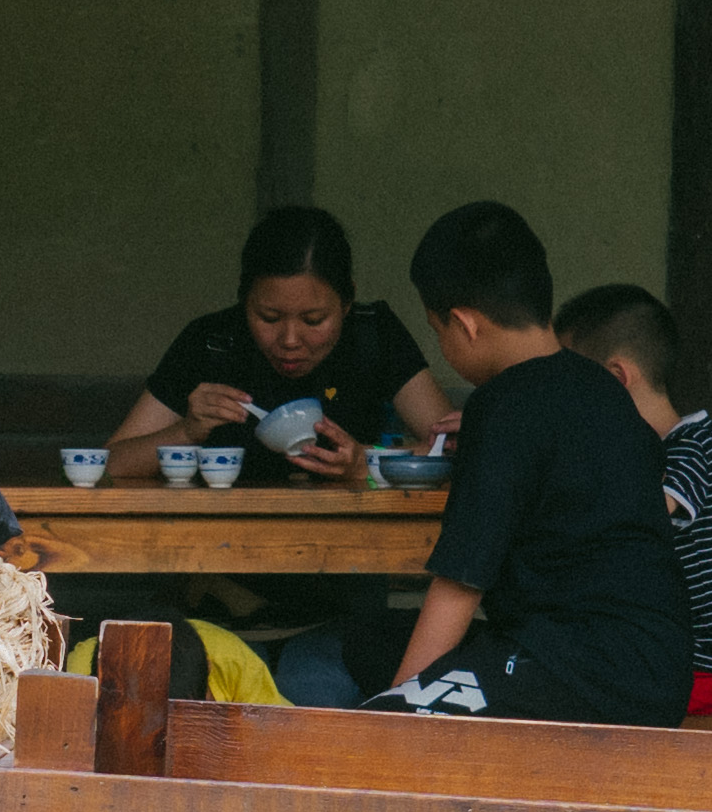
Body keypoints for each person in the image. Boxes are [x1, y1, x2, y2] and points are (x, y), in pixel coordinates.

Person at [271, 202, 684, 726]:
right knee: (360, 638)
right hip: (657, 670)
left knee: (373, 724)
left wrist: (398, 709)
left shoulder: (501, 404)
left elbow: (460, 585)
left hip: (573, 673)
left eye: (437, 330)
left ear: (464, 324)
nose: (441, 346)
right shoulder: (601, 388)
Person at [105, 206, 452, 484]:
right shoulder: (212, 343)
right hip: (221, 560)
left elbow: (452, 451)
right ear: (244, 302)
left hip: (352, 558)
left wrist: (366, 463)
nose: (289, 341)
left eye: (313, 320)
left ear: (347, 302)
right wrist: (185, 431)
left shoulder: (373, 336)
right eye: (268, 318)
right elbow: (109, 463)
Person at [558, 282, 712, 714]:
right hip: (679, 663)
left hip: (703, 669)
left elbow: (643, 514)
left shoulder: (690, 446)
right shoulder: (667, 445)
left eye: (569, 387)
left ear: (615, 379)